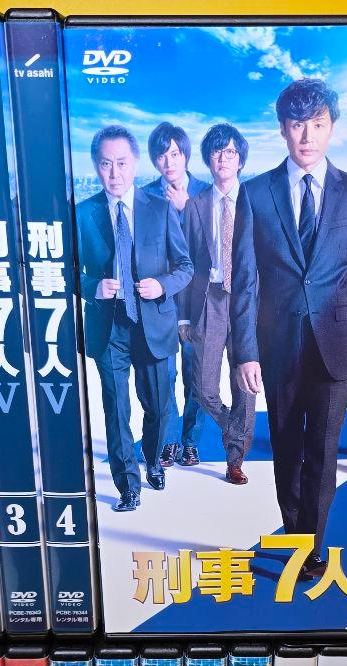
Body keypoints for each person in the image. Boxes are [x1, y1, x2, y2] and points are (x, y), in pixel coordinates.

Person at [230, 78, 347, 580]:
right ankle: (296, 529)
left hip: (335, 344)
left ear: (332, 127)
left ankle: (311, 546)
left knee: (323, 449)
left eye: (317, 124)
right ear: (282, 129)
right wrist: (245, 351)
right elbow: (245, 280)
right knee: (286, 448)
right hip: (277, 346)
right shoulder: (256, 193)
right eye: (298, 124)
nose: (307, 135)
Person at [77, 125, 194, 511]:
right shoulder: (83, 214)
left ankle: (154, 459)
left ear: (135, 163)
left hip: (153, 325)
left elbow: (185, 266)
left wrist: (161, 285)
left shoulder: (159, 209)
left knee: (158, 407)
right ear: (96, 165)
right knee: (116, 410)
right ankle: (128, 486)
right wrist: (94, 286)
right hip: (108, 327)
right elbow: (65, 271)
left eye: (122, 163)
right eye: (106, 164)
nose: (114, 173)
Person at [179, 122, 257, 484]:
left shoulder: (255, 202)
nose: (223, 158)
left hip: (246, 300)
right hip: (207, 300)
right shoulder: (194, 206)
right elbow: (185, 264)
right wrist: (183, 316)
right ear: (208, 159)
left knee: (245, 384)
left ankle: (235, 460)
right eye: (216, 152)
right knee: (203, 386)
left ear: (240, 159)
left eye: (230, 152)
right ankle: (233, 428)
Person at [144, 122, 210, 469]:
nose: (168, 162)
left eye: (174, 153)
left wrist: (189, 208)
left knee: (197, 375)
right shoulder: (144, 196)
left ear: (185, 154)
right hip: (162, 300)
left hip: (199, 300)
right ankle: (169, 441)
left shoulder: (206, 193)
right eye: (161, 155)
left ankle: (191, 442)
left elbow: (215, 246)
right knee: (165, 375)